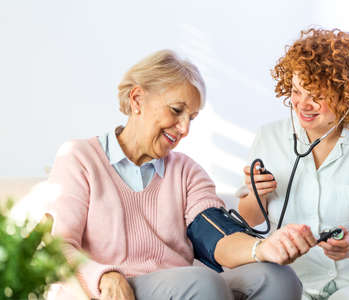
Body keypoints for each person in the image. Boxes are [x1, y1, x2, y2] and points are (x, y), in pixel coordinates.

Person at [36, 49, 314, 300]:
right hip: (113, 289)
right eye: (176, 110)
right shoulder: (80, 157)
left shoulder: (186, 171)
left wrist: (262, 249)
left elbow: (213, 234)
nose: (184, 129)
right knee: (203, 283)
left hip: (184, 285)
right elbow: (57, 245)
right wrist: (105, 276)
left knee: (278, 279)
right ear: (137, 99)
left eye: (191, 118)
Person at [237, 28, 349, 300]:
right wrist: (259, 192)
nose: (302, 105)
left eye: (316, 95)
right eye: (296, 91)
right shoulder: (269, 138)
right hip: (288, 280)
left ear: (347, 95)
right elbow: (249, 219)